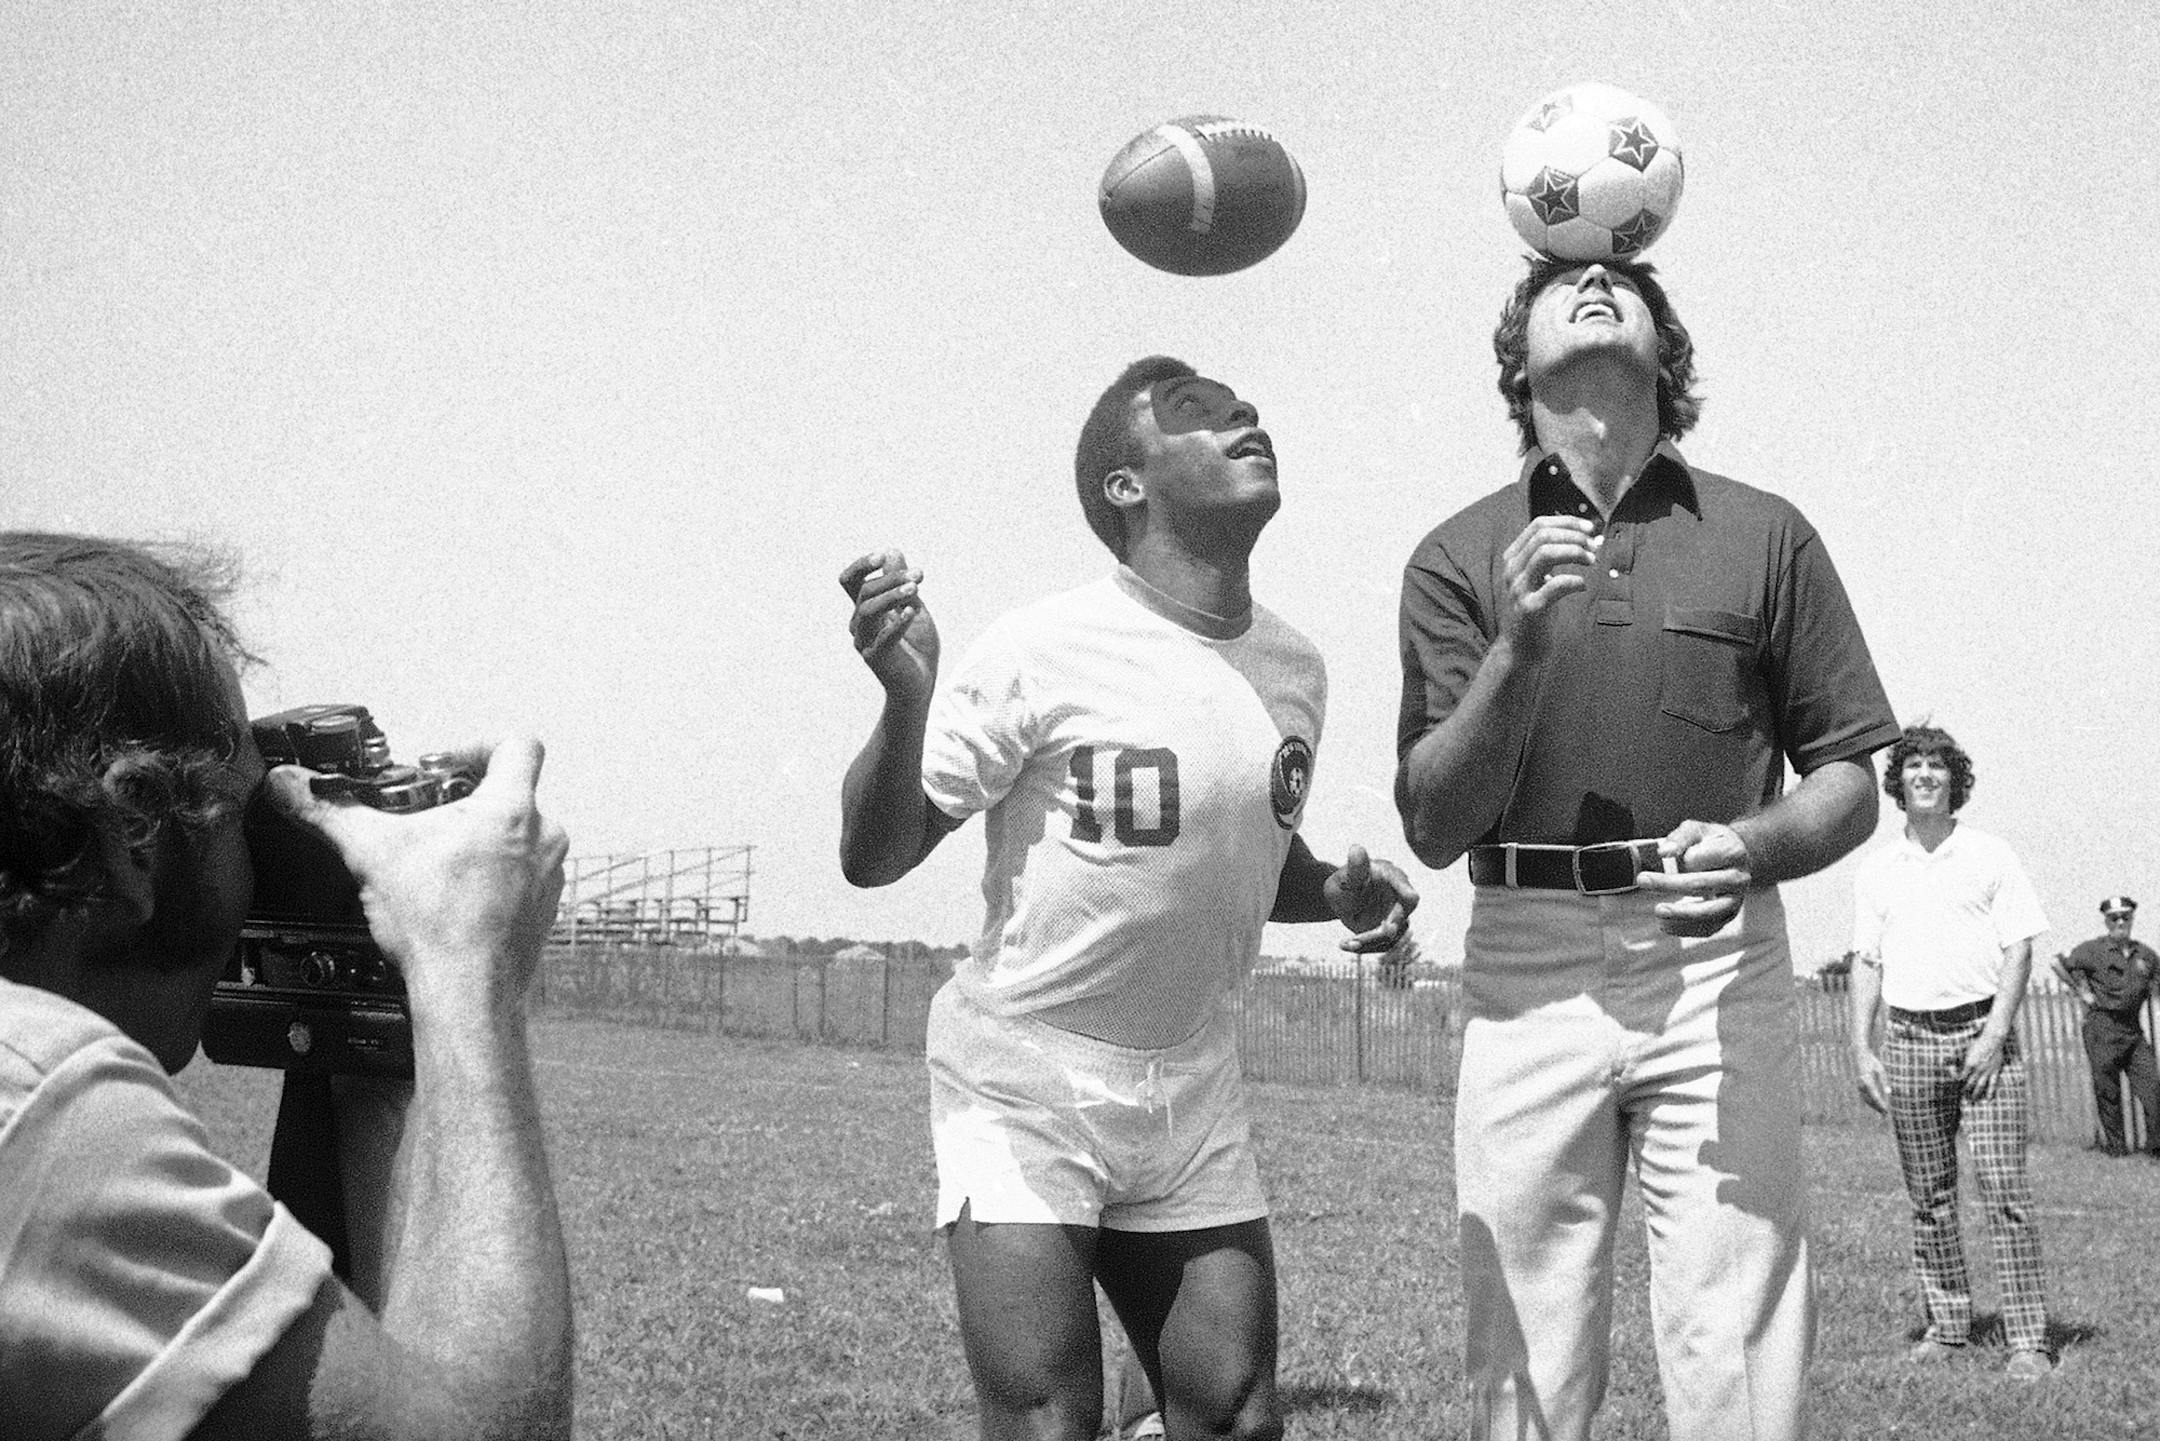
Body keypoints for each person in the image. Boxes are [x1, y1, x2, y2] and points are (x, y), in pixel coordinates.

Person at [838, 356, 1418, 1441]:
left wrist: (1331, 890)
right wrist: (907, 697)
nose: (1245, 413)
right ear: (1127, 485)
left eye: (1245, 402)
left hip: (1190, 1085)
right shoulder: (1040, 648)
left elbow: (1229, 856)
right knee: (1050, 1420)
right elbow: (874, 855)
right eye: (1200, 413)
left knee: (1233, 1415)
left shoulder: (1293, 667)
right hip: (1026, 1075)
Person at [1394, 256, 1899, 1441]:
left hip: (1716, 959)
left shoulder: (1766, 532)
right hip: (1527, 961)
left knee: (1737, 1329)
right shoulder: (1459, 554)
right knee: (1525, 1342)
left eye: (1624, 276)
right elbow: (1431, 819)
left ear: (1666, 352)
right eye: (1560, 280)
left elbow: (1847, 783)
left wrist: (1755, 842)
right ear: (1516, 362)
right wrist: (1518, 644)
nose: (1595, 281)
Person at [0, 532, 575, 1440]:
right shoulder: (45, 1112)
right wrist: (464, 968)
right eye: (245, 814)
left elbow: (298, 1387)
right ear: (136, 832)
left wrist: (350, 1030)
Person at [1847, 724, 2053, 1380]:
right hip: (1907, 1039)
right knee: (1930, 1195)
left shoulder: (1990, 854)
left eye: (1938, 765)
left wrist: (1994, 1035)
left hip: (1982, 1039)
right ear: (1898, 781)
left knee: (2003, 1190)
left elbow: (2020, 946)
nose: (1926, 776)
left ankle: (2026, 1340)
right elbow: (1867, 960)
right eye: (1914, 766)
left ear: (1953, 778)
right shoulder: (1877, 868)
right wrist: (1861, 1046)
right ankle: (1948, 1324)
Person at [2054, 896, 2160, 1157]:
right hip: (2102, 1028)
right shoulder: (2092, 950)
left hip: (2133, 1032)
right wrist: (2081, 990)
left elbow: (2156, 992)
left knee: (2153, 1090)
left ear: (2132, 919)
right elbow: (2058, 963)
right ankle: (2117, 1150)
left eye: (2125, 916)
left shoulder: (2146, 954)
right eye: (2114, 918)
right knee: (2108, 1091)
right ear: (2106, 921)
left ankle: (2155, 1150)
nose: (2120, 922)